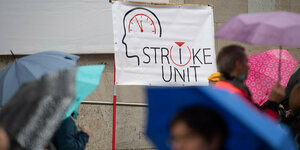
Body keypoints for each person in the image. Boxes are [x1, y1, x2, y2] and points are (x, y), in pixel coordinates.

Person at [215, 45, 285, 119]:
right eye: (246, 62)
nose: (248, 67)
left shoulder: (220, 88)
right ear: (238, 64)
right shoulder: (237, 94)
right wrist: (273, 103)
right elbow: (260, 125)